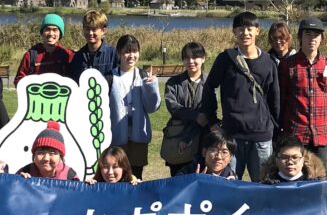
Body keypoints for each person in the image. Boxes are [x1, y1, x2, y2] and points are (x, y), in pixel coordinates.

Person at [201, 11, 280, 181]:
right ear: (234, 32)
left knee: (263, 186)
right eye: (240, 29)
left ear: (258, 31)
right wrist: (212, 122)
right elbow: (208, 88)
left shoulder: (269, 61)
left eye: (250, 28)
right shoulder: (225, 59)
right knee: (227, 185)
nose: (245, 33)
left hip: (261, 137)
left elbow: (275, 99)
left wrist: (275, 129)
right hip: (232, 136)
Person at [279, 17, 327, 164]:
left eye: (316, 35)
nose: (312, 38)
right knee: (294, 177)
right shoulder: (288, 65)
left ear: (322, 38)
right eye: (308, 34)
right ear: (300, 37)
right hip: (295, 132)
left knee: (320, 179)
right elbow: (282, 99)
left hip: (321, 132)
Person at [108, 34, 161, 180]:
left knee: (136, 177)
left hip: (138, 136)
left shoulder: (143, 76)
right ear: (119, 53)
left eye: (135, 51)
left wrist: (151, 86)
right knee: (117, 175)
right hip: (117, 136)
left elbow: (152, 107)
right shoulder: (110, 78)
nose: (131, 55)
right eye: (127, 51)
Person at [162, 41, 212, 176]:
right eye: (186, 57)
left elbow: (208, 111)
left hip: (202, 139)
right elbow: (173, 107)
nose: (191, 61)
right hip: (178, 138)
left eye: (195, 57)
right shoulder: (173, 83)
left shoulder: (209, 82)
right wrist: (195, 116)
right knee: (178, 179)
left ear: (203, 58)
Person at [14, 13, 74, 84]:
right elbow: (19, 80)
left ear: (60, 33)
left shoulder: (68, 55)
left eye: (55, 30)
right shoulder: (30, 55)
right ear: (42, 32)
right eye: (47, 29)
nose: (51, 33)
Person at [68, 9, 118, 82]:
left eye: (94, 29)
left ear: (103, 31)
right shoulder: (78, 56)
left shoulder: (113, 54)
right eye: (87, 29)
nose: (90, 33)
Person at [260, 135, 327, 184]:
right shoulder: (267, 184)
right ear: (276, 160)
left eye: (295, 157)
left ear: (303, 160)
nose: (290, 162)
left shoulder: (316, 183)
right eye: (284, 157)